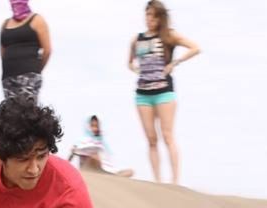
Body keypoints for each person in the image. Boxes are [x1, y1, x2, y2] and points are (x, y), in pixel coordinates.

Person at [128, 0, 200, 184]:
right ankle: (158, 181)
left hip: (164, 92)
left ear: (160, 18)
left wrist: (175, 63)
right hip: (143, 93)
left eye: (153, 15)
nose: (149, 19)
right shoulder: (138, 39)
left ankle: (175, 181)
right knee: (152, 139)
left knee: (167, 135)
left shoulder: (169, 36)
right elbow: (129, 62)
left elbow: (195, 48)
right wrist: (135, 69)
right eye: (147, 14)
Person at [0, 0, 50, 101]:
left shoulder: (37, 20)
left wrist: (37, 69)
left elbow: (47, 50)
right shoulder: (5, 24)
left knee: (27, 111)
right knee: (10, 113)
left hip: (29, 75)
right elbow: (2, 52)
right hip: (8, 76)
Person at [70, 115, 134, 178]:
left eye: (97, 126)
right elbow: (73, 152)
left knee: (130, 171)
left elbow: (106, 161)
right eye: (92, 126)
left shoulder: (101, 142)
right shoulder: (83, 140)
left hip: (106, 170)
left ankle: (109, 176)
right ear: (88, 127)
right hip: (88, 170)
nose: (95, 129)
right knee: (94, 154)